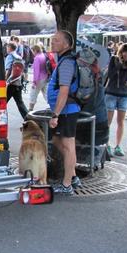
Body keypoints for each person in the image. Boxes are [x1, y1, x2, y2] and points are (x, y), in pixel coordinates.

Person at [48, 30, 81, 194]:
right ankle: (73, 176)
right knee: (56, 140)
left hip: (67, 110)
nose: (52, 42)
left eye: (56, 40)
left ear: (66, 44)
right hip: (66, 110)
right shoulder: (64, 61)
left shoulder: (67, 63)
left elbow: (64, 90)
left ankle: (67, 184)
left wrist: (56, 115)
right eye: (52, 39)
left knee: (68, 146)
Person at [5, 42, 28, 119]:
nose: (6, 49)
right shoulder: (19, 57)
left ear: (10, 48)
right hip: (18, 82)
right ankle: (29, 119)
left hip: (11, 83)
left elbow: (7, 70)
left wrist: (5, 81)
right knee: (20, 103)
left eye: (7, 47)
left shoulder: (10, 57)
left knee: (2, 103)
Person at [28, 44, 49, 111]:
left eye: (33, 51)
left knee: (33, 94)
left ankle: (30, 109)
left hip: (39, 79)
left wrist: (34, 82)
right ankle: (52, 107)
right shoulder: (43, 55)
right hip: (45, 77)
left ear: (35, 50)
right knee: (46, 94)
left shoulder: (37, 58)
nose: (33, 53)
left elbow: (36, 72)